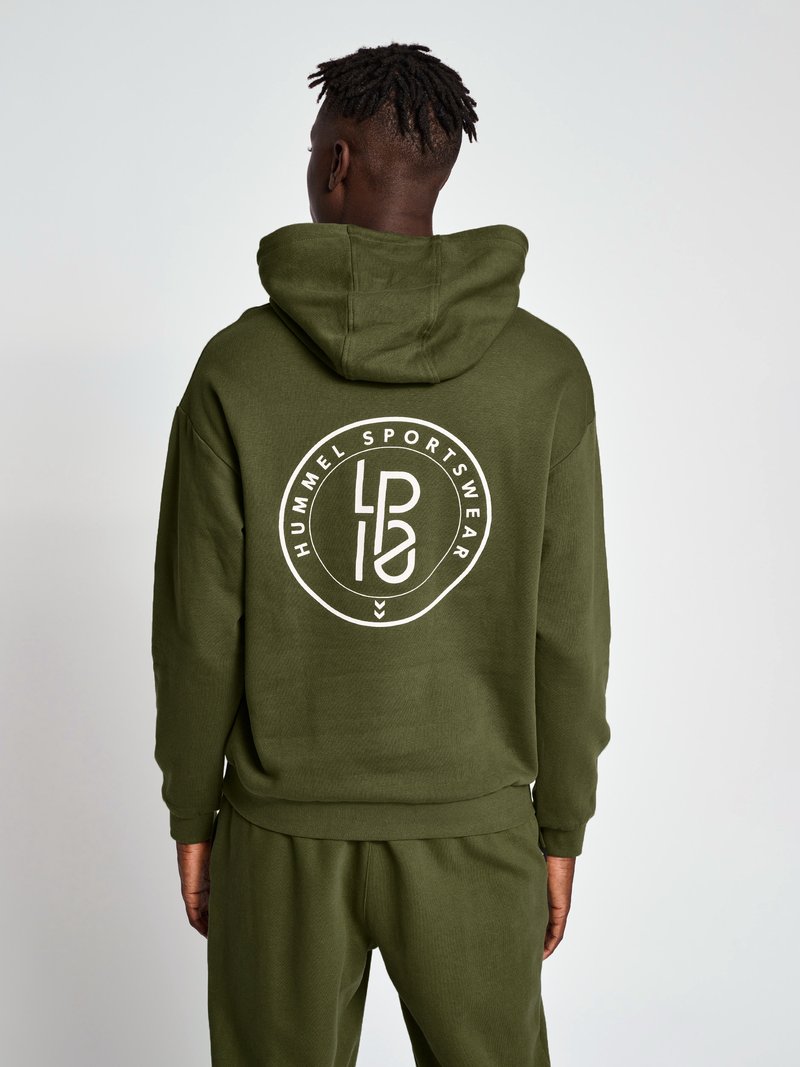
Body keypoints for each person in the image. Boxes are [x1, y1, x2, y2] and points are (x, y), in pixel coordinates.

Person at [151, 40, 612, 1066]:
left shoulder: (237, 370)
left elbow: (197, 623)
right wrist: (560, 825)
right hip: (475, 830)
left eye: (314, 146)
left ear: (337, 164)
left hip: (280, 835)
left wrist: (192, 806)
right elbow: (570, 628)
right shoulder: (544, 373)